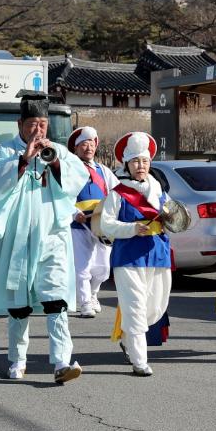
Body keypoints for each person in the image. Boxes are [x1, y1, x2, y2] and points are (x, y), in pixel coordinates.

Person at [0, 94, 86, 383]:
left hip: (52, 235)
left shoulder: (58, 150)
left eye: (42, 124)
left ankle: (61, 362)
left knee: (56, 297)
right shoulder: (3, 152)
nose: (38, 130)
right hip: (17, 237)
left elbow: (78, 178)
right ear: (20, 124)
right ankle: (18, 358)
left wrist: (55, 162)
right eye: (32, 124)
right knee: (19, 302)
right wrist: (23, 160)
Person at [99, 132, 172, 377]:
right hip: (128, 257)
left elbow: (174, 217)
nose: (140, 166)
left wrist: (171, 221)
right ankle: (140, 361)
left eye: (144, 161)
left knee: (155, 307)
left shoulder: (160, 191)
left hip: (158, 255)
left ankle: (128, 338)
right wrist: (131, 229)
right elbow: (106, 225)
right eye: (135, 162)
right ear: (127, 165)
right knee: (135, 307)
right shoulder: (118, 193)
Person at [67, 126, 119, 318]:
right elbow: (62, 195)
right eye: (84, 144)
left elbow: (117, 192)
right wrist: (74, 213)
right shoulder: (70, 169)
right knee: (82, 267)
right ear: (76, 148)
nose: (88, 148)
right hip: (78, 225)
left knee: (103, 269)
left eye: (91, 144)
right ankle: (84, 302)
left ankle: (93, 293)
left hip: (100, 224)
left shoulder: (103, 170)